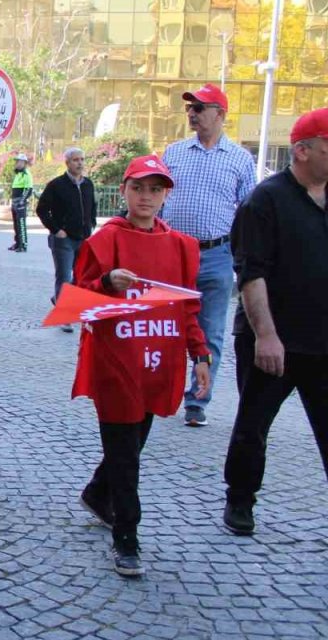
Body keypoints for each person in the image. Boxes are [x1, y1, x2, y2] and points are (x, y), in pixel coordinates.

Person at [72, 155, 210, 577]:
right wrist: (105, 285)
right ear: (125, 191)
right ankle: (126, 538)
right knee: (127, 456)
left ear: (166, 194)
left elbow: (186, 309)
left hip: (157, 363)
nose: (146, 197)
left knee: (132, 445)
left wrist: (200, 356)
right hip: (116, 363)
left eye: (155, 189)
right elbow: (77, 301)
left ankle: (98, 492)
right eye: (138, 188)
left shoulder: (182, 247)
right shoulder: (104, 241)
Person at [221, 108, 328, 536]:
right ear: (301, 151)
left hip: (323, 343)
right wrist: (266, 335)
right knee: (253, 427)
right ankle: (240, 501)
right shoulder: (265, 201)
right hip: (272, 342)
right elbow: (252, 272)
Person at [161, 83, 257, 428]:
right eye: (190, 108)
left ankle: (197, 401)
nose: (192, 113)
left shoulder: (241, 160)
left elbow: (250, 213)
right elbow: (157, 198)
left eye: (200, 108)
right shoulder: (173, 153)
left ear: (220, 114)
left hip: (217, 255)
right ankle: (161, 391)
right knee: (166, 326)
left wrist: (243, 257)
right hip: (173, 254)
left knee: (211, 331)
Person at [36, 147, 97, 333]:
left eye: (82, 159)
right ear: (67, 163)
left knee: (80, 276)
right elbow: (41, 209)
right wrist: (56, 230)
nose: (80, 163)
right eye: (75, 160)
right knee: (64, 276)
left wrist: (91, 224)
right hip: (64, 240)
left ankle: (60, 300)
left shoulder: (88, 184)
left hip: (84, 237)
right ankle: (65, 316)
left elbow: (92, 206)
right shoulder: (56, 185)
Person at [8, 154, 33, 252]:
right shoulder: (18, 174)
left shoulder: (26, 174)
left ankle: (23, 245)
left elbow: (28, 189)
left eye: (19, 161)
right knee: (16, 224)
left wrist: (22, 201)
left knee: (21, 224)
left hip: (20, 203)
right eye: (16, 161)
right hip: (14, 202)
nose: (17, 163)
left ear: (24, 163)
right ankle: (17, 243)